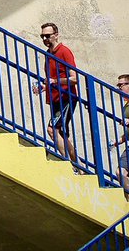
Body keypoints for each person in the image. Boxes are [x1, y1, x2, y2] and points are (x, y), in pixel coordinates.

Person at [32, 21, 81, 171]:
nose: (45, 39)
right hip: (55, 99)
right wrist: (43, 86)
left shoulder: (64, 51)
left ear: (56, 35)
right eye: (42, 36)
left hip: (66, 97)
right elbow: (51, 79)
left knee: (52, 129)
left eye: (48, 36)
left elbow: (74, 78)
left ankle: (71, 166)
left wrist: (55, 81)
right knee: (61, 134)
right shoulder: (48, 55)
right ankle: (80, 168)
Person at [110, 73, 129, 199]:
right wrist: (118, 141)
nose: (119, 88)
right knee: (120, 172)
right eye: (118, 86)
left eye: (121, 85)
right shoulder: (125, 106)